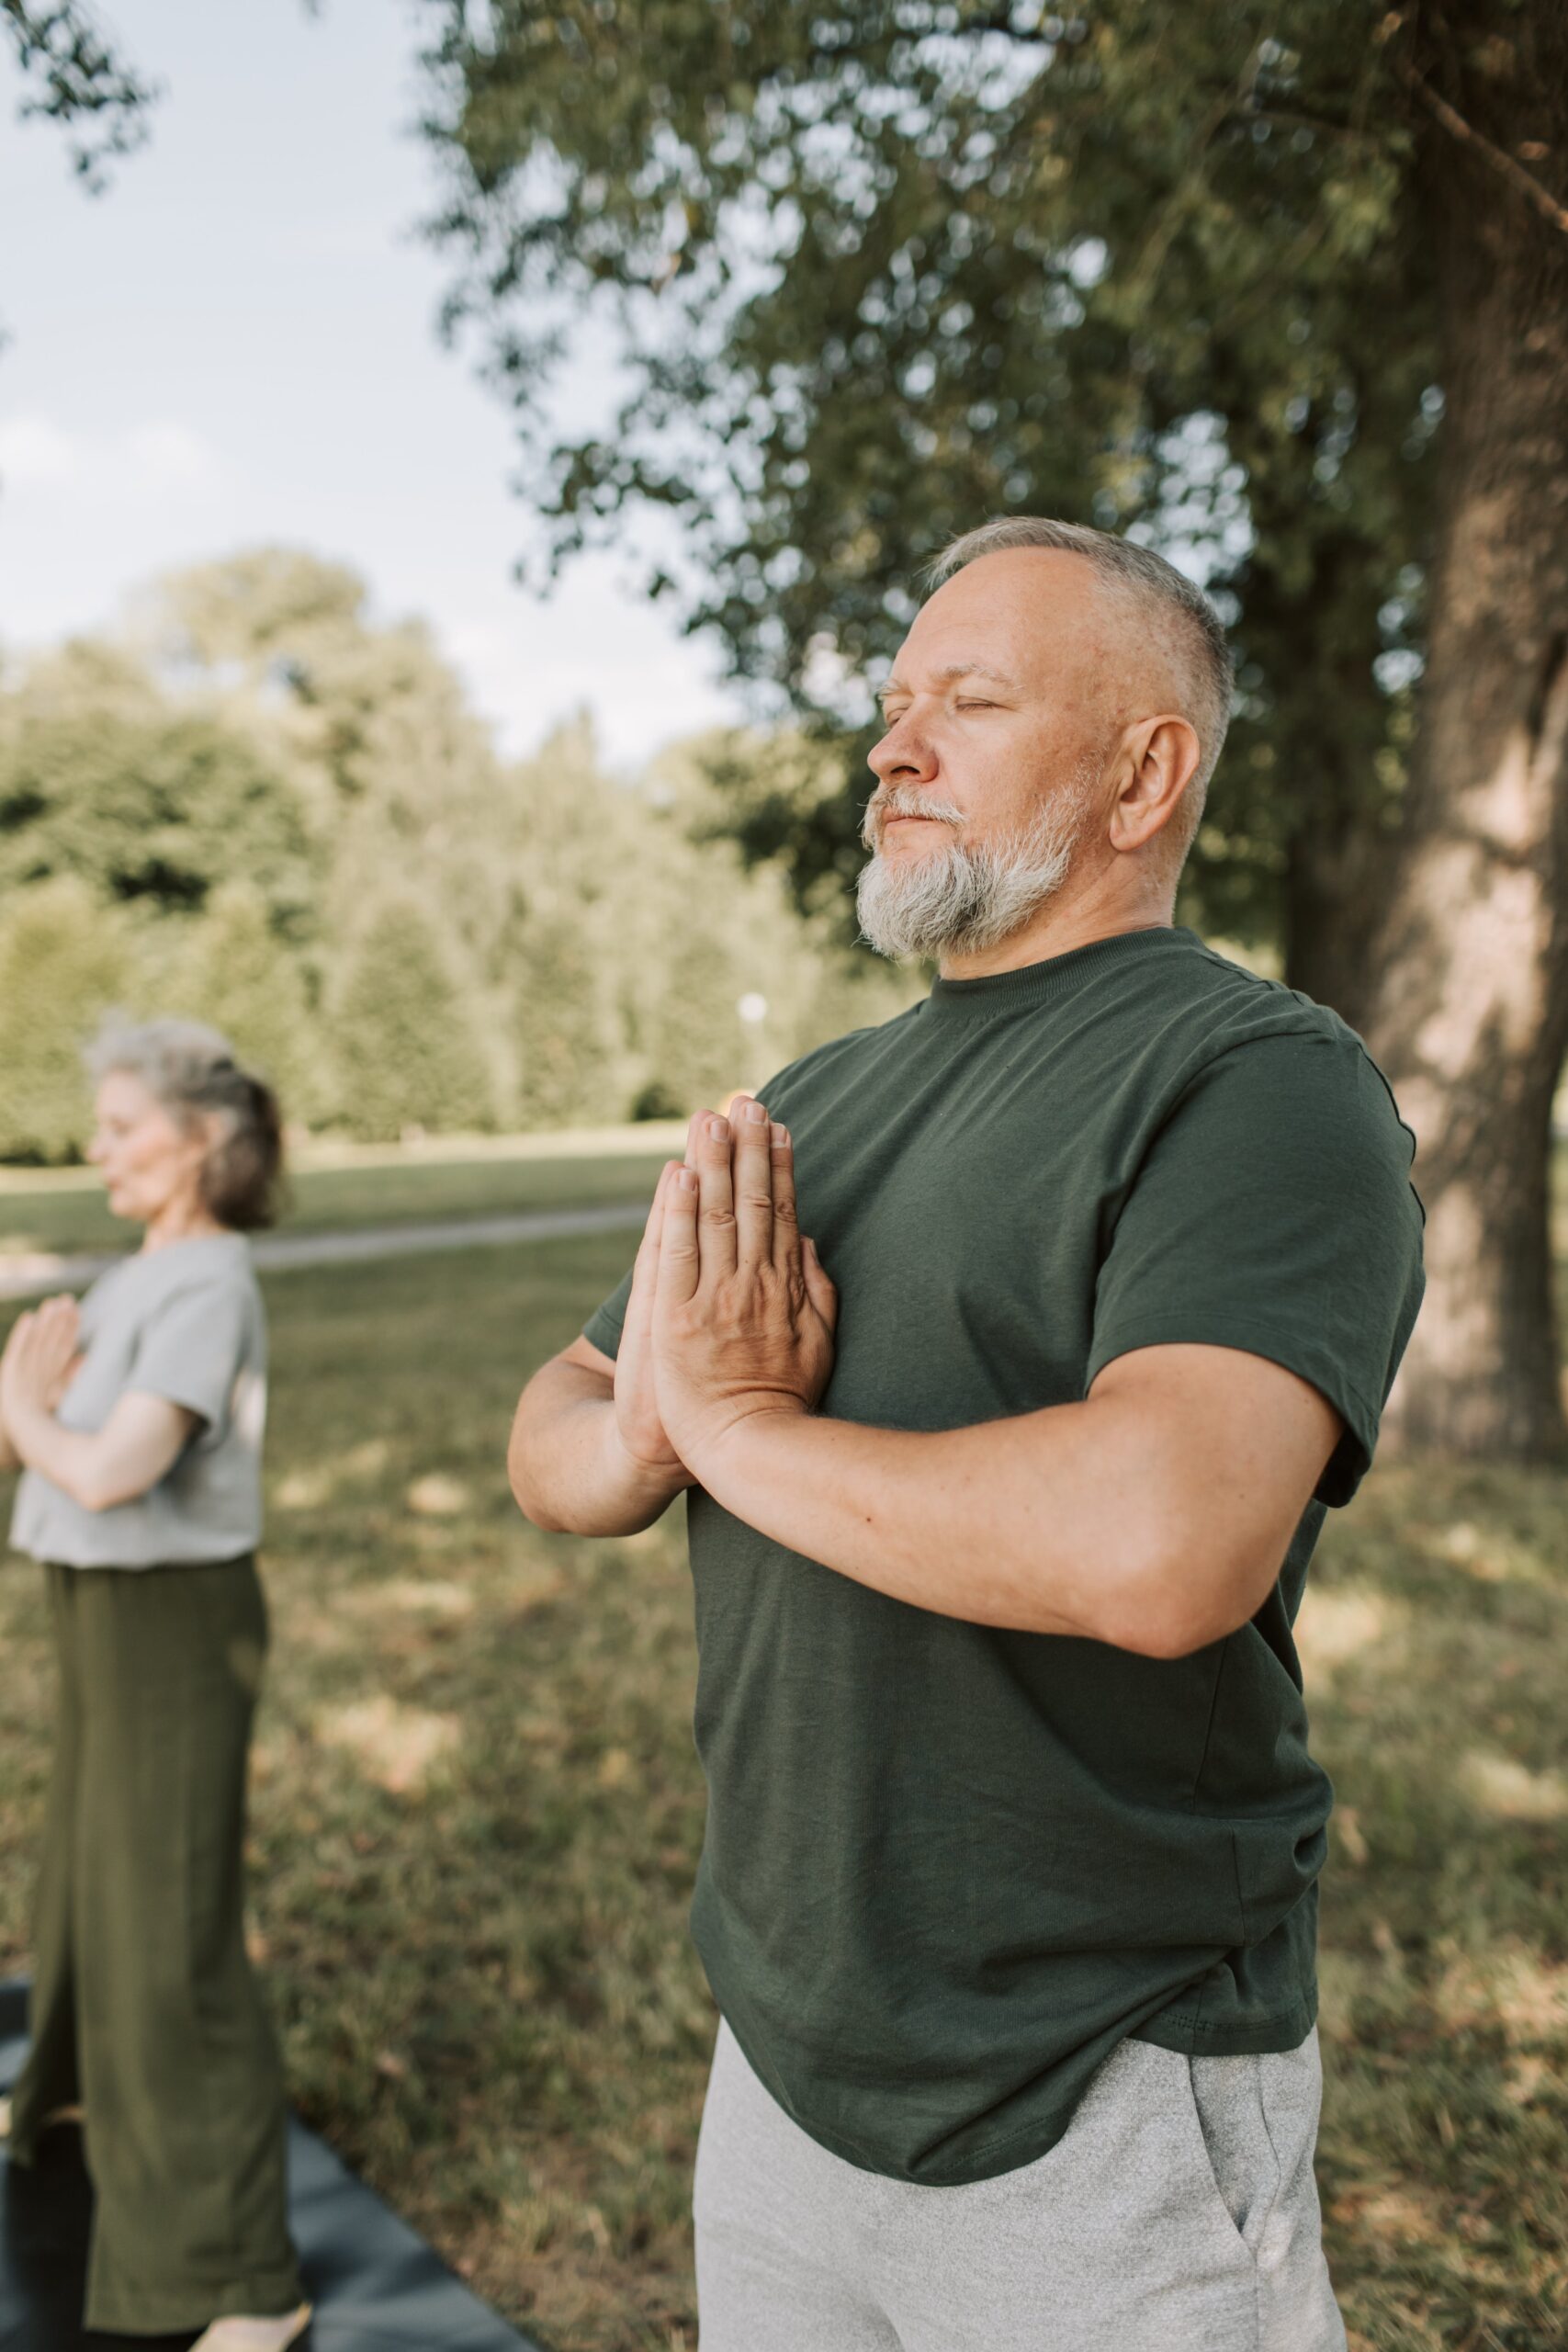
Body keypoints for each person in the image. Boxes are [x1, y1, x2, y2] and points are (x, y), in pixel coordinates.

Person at [508, 517, 1426, 2352]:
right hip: (778, 2044)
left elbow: (1159, 1542)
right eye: (888, 703)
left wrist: (734, 1425)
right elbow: (564, 1411)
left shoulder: (1255, 1079)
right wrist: (640, 1446)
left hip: (1099, 2074)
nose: (888, 749)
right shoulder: (806, 1102)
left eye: (969, 701)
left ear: (1138, 772)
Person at [0, 1018, 310, 2352]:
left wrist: (20, 1411)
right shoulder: (145, 1273)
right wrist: (33, 1418)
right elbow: (63, 1451)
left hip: (174, 1623)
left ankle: (245, 2279)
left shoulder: (207, 1287)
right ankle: (65, 2099)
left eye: (123, 1126)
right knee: (85, 1869)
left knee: (170, 1924)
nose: (100, 1147)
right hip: (102, 1607)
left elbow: (110, 1466)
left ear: (200, 1142)